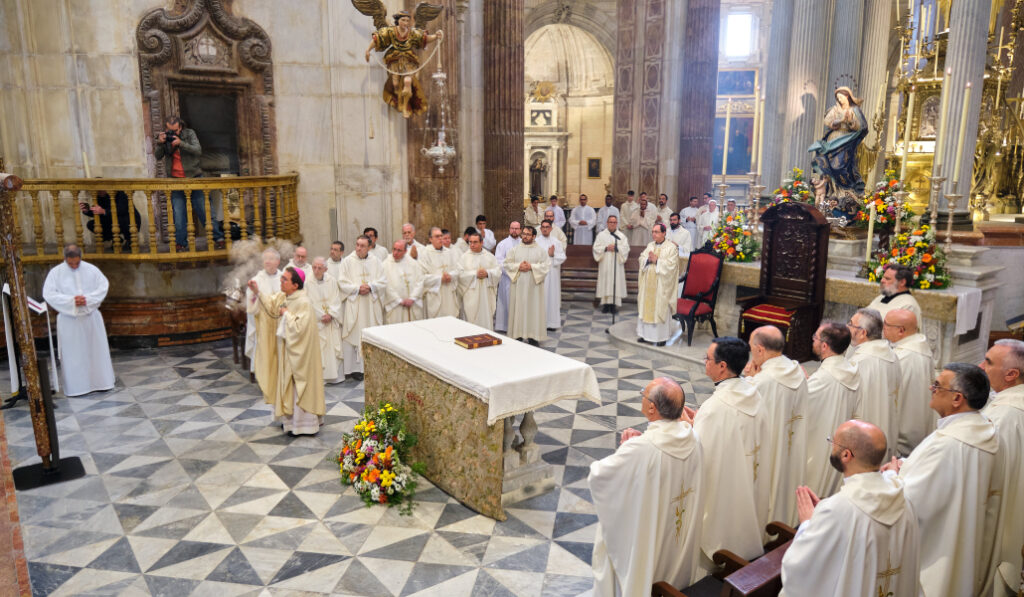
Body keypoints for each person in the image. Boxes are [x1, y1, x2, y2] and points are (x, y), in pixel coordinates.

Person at [884, 363, 998, 597]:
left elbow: (909, 500)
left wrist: (892, 474)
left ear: (957, 398)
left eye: (937, 385)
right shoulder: (980, 430)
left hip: (935, 548)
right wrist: (909, 464)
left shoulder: (948, 444)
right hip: (962, 537)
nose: (931, 388)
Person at [780, 420, 921, 597]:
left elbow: (800, 570)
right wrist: (821, 519)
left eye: (833, 442)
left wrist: (808, 523)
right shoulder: (904, 500)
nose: (831, 445)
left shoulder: (836, 509)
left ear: (846, 455)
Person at [590, 378, 704, 596]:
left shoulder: (641, 448)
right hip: (677, 541)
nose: (642, 397)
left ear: (651, 407)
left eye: (643, 393)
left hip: (646, 540)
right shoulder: (694, 438)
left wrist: (626, 449)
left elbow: (599, 475)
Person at [690, 337, 770, 565]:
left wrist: (688, 428)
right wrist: (698, 422)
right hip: (748, 480)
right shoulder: (753, 394)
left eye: (707, 358)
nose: (705, 362)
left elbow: (698, 454)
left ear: (722, 366)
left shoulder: (715, 408)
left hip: (724, 490)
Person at [247, 267, 325, 435]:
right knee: (286, 383)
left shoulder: (304, 302)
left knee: (297, 385)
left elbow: (301, 329)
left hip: (299, 355)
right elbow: (269, 306)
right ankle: (289, 422)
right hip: (285, 351)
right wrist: (257, 291)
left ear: (295, 285)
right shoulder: (283, 297)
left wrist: (286, 314)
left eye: (285, 280)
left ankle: (303, 425)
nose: (281, 282)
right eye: (281, 278)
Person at [746, 325, 808, 526]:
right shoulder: (797, 370)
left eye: (751, 348)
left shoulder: (762, 381)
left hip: (768, 448)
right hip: (792, 445)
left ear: (760, 349)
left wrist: (749, 379)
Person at [978, 339, 1024, 596]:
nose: (980, 366)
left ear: (1011, 374)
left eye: (988, 362)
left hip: (1000, 522)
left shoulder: (1004, 416)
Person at [41, 244, 115, 397]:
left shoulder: (91, 269)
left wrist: (87, 299)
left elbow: (103, 287)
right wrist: (72, 301)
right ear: (65, 259)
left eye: (77, 262)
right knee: (74, 355)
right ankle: (77, 387)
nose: (74, 266)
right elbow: (48, 294)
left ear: (81, 258)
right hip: (69, 320)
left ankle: (101, 382)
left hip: (91, 317)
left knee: (96, 352)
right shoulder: (56, 273)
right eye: (71, 263)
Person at [805, 322, 860, 497]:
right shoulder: (851, 370)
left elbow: (797, 405)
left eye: (815, 337)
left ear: (824, 346)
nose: (812, 340)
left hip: (819, 444)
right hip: (839, 442)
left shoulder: (823, 378)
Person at [153, 115, 224, 251]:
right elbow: (157, 156)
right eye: (169, 130)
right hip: (175, 181)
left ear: (180, 127)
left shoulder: (189, 133)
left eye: (175, 130)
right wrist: (160, 143)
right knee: (178, 214)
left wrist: (181, 143)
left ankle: (218, 238)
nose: (172, 133)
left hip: (194, 178)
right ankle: (180, 243)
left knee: (205, 211)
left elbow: (198, 150)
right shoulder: (165, 137)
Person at [883, 308, 936, 456]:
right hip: (920, 422)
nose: (883, 328)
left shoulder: (902, 357)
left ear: (901, 330)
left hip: (903, 430)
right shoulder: (920, 346)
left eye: (886, 324)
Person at [848, 308, 901, 453]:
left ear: (863, 333)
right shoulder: (892, 355)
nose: (847, 327)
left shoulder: (859, 361)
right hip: (886, 426)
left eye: (851, 324)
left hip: (864, 429)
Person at [337, 235, 388, 381]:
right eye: (357, 245)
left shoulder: (376, 261)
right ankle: (355, 369)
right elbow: (342, 282)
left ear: (369, 247)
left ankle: (373, 365)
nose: (358, 248)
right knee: (354, 334)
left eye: (362, 246)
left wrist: (371, 287)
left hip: (371, 305)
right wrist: (357, 288)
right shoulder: (347, 261)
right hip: (356, 304)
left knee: (371, 334)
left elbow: (383, 281)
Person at [809, 87, 868, 195]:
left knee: (839, 166)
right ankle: (832, 191)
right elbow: (827, 121)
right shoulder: (835, 109)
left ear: (847, 96)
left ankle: (846, 190)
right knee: (826, 163)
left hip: (846, 140)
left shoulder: (854, 110)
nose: (839, 100)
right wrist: (840, 120)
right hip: (833, 140)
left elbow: (862, 127)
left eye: (841, 97)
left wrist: (850, 121)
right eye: (838, 98)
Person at [502, 225, 550, 346]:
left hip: (534, 288)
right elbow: (507, 264)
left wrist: (531, 267)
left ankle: (533, 337)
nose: (525, 236)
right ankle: (517, 335)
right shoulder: (514, 250)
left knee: (533, 310)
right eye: (523, 234)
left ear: (534, 236)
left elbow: (546, 266)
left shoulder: (540, 251)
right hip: (518, 287)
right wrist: (518, 266)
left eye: (528, 234)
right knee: (518, 309)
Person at [246, 249, 283, 395]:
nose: (267, 261)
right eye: (265, 259)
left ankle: (281, 379)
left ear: (278, 261)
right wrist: (255, 294)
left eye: (271, 258)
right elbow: (251, 302)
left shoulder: (284, 278)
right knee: (265, 352)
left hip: (281, 323)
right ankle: (266, 381)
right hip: (264, 324)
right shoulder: (257, 280)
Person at [636, 224, 678, 346]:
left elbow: (672, 266)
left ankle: (661, 337)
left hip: (662, 286)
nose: (654, 234)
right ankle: (645, 335)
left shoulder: (671, 248)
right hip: (648, 283)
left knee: (660, 307)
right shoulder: (650, 245)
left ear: (664, 233)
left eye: (657, 232)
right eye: (653, 232)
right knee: (646, 307)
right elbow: (641, 258)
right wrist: (647, 260)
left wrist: (657, 261)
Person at [306, 257, 344, 384]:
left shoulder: (331, 281)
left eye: (319, 268)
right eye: (314, 267)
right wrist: (321, 316)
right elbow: (307, 302)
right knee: (320, 349)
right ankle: (321, 378)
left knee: (332, 348)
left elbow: (336, 299)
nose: (316, 270)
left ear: (326, 269)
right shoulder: (307, 282)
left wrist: (331, 314)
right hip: (318, 322)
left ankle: (335, 377)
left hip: (330, 321)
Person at [457, 232, 501, 329]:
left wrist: (488, 273)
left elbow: (498, 271)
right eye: (470, 242)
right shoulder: (464, 257)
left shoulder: (490, 256)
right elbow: (460, 274)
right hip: (471, 295)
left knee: (485, 319)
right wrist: (474, 274)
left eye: (475, 242)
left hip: (486, 295)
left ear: (482, 243)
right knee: (471, 322)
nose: (472, 245)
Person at [418, 227, 460, 319]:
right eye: (437, 236)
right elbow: (421, 277)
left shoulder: (449, 252)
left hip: (449, 295)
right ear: (430, 239)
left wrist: (451, 276)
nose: (440, 238)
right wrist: (440, 278)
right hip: (434, 296)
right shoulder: (424, 254)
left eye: (441, 236)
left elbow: (458, 270)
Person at [866, 264, 923, 331]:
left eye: (887, 279)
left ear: (902, 282)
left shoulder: (909, 306)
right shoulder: (881, 297)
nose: (882, 280)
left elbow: (901, 333)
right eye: (883, 277)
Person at [382, 240, 424, 324]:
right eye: (394, 249)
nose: (395, 253)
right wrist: (399, 300)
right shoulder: (385, 264)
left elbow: (420, 281)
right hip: (395, 305)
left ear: (405, 251)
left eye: (399, 250)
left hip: (412, 304)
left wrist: (412, 298)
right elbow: (385, 284)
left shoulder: (413, 263)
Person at [592, 215, 628, 315]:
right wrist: (605, 248)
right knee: (605, 282)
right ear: (607, 223)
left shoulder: (621, 236)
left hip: (617, 264)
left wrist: (617, 248)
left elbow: (625, 249)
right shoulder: (601, 235)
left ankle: (613, 306)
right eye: (610, 222)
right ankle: (605, 305)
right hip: (605, 263)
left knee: (615, 283)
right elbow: (596, 248)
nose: (612, 224)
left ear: (617, 224)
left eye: (614, 222)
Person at [536, 220, 566, 331]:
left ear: (551, 229)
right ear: (540, 229)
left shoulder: (556, 242)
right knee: (540, 298)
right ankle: (539, 323)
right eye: (543, 227)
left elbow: (562, 257)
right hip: (539, 275)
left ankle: (552, 323)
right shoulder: (535, 242)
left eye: (547, 227)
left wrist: (553, 255)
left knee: (552, 297)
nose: (545, 229)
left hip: (553, 274)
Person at [493, 221, 521, 332]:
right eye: (512, 228)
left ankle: (519, 327)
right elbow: (498, 262)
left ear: (520, 230)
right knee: (506, 302)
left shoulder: (524, 244)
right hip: (507, 279)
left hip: (521, 279)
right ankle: (505, 326)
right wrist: (513, 269)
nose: (514, 230)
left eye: (516, 228)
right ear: (509, 229)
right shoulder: (502, 244)